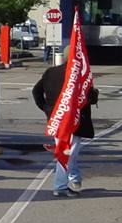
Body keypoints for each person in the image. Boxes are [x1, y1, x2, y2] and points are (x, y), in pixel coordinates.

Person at [33, 48, 98, 197]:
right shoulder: (79, 75)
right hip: (73, 120)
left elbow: (36, 91)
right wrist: (94, 94)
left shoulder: (51, 72)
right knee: (68, 152)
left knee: (68, 151)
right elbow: (90, 98)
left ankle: (73, 176)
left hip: (57, 117)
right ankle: (60, 186)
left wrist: (46, 109)